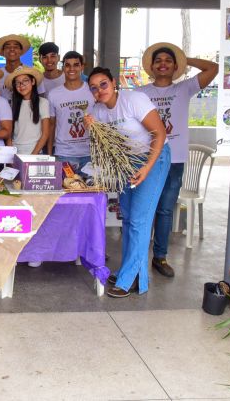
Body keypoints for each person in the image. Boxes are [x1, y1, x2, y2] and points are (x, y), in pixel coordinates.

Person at [135, 42, 219, 278]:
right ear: (151, 67)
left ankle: (160, 257)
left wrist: (185, 60)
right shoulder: (140, 93)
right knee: (144, 209)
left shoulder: (185, 88)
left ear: (174, 67)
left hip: (176, 159)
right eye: (158, 61)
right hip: (148, 158)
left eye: (168, 61)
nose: (163, 64)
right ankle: (138, 256)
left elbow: (213, 68)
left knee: (164, 210)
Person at [86, 67, 169, 298]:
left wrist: (146, 168)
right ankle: (133, 274)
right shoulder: (98, 110)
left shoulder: (134, 100)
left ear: (113, 82)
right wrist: (92, 128)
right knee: (129, 219)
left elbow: (159, 134)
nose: (99, 90)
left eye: (103, 84)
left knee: (140, 221)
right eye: (94, 87)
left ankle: (128, 278)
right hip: (127, 163)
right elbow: (104, 145)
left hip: (153, 158)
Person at [47, 51, 93, 174]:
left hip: (90, 154)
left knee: (91, 191)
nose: (71, 68)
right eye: (67, 65)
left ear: (82, 67)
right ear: (63, 68)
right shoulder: (53, 94)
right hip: (64, 154)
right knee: (65, 191)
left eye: (76, 65)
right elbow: (51, 125)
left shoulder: (92, 90)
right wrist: (50, 154)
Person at [5, 65, 51, 156]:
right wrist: (11, 155)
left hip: (36, 153)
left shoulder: (43, 103)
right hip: (16, 153)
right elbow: (9, 133)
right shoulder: (12, 104)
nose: (21, 85)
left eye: (25, 81)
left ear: (33, 81)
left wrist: (33, 156)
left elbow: (45, 134)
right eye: (18, 83)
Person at [0, 34, 31, 101]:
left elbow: (39, 97)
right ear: (3, 51)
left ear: (21, 51)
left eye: (16, 47)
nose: (12, 49)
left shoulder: (31, 73)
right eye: (8, 47)